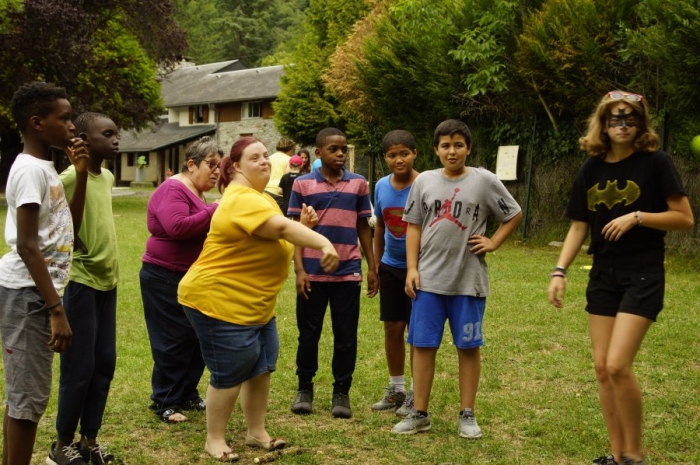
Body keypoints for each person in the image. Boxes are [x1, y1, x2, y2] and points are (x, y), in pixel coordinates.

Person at [548, 91, 693, 465]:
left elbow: (684, 217)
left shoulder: (655, 164)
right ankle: (617, 455)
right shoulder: (591, 168)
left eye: (630, 119)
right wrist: (559, 270)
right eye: (615, 119)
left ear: (640, 124)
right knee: (601, 368)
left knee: (617, 364)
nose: (623, 125)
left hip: (642, 271)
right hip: (602, 273)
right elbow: (579, 226)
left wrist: (639, 216)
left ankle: (634, 456)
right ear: (604, 124)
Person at [178, 137, 338, 462]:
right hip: (220, 301)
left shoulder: (261, 197)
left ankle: (256, 432)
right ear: (236, 166)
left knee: (260, 367)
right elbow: (279, 230)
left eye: (267, 155)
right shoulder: (239, 198)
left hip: (254, 305)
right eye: (255, 157)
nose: (265, 161)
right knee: (230, 371)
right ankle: (215, 439)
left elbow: (275, 236)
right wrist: (322, 242)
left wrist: (301, 227)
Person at [392, 119, 522, 437]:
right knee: (422, 345)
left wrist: (494, 241)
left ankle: (467, 413)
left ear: (469, 148)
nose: (452, 151)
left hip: (468, 281)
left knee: (468, 346)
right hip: (428, 281)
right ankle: (419, 412)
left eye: (459, 145)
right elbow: (413, 226)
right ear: (436, 150)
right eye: (446, 145)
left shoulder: (484, 181)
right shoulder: (424, 183)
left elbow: (514, 212)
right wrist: (411, 268)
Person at [0, 81, 89, 465]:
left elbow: (69, 228)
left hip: (37, 292)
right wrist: (55, 309)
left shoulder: (47, 169)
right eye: (64, 118)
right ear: (37, 123)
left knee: (24, 395)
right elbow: (26, 245)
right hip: (28, 296)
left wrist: (81, 173)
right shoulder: (29, 172)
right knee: (28, 399)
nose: (72, 126)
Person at [288, 128, 379, 419]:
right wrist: (300, 270)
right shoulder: (302, 184)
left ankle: (342, 392)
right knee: (308, 334)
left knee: (346, 335)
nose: (340, 154)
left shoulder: (359, 184)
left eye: (343, 149)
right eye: (333, 149)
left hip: (347, 273)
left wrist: (372, 266)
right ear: (318, 153)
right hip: (312, 274)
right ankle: (304, 387)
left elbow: (364, 226)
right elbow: (295, 230)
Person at [47, 112, 121, 465]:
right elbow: (63, 232)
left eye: (116, 133)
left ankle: (89, 440)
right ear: (86, 140)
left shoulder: (106, 176)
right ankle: (62, 444)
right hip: (80, 282)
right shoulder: (67, 178)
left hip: (109, 281)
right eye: (108, 134)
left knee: (104, 361)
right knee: (80, 366)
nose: (116, 139)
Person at [140, 136, 223, 424]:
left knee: (194, 336)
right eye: (211, 165)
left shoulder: (197, 193)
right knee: (171, 339)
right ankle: (164, 399)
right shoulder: (173, 188)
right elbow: (177, 227)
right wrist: (216, 209)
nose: (216, 171)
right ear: (191, 164)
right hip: (164, 275)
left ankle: (186, 392)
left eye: (219, 167)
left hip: (191, 276)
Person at [371, 130, 420, 416]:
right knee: (392, 327)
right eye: (392, 155)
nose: (398, 159)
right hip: (390, 266)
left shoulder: (425, 183)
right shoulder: (380, 186)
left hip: (422, 269)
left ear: (415, 154)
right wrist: (376, 266)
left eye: (404, 153)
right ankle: (396, 389)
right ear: (385, 158)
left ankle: (416, 391)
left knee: (417, 333)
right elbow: (379, 226)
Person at [264, 136, 295, 208]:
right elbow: (288, 178)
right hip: (279, 193)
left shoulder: (269, 158)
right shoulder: (289, 160)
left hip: (266, 191)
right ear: (290, 149)